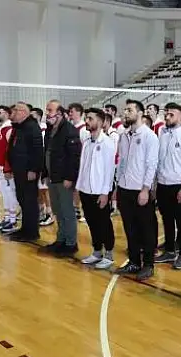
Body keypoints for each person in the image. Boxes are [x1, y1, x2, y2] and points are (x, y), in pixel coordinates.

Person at [113, 99, 159, 281]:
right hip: (124, 188)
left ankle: (148, 264)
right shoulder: (124, 136)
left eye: (129, 110)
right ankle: (133, 262)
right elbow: (121, 161)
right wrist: (117, 184)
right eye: (125, 110)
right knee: (129, 228)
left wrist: (146, 189)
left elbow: (151, 165)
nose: (125, 113)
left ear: (140, 113)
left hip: (140, 190)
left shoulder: (149, 136)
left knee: (146, 228)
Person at [154, 102, 181, 270]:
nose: (167, 117)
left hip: (178, 185)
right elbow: (159, 161)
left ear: (180, 116)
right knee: (167, 220)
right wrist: (156, 184)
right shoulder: (163, 134)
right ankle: (170, 251)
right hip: (163, 184)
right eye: (166, 114)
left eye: (171, 114)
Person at [77, 108, 117, 270]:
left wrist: (105, 193)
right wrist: (79, 186)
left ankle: (109, 253)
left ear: (100, 122)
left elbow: (109, 170)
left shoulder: (107, 143)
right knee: (91, 222)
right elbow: (83, 166)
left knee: (103, 222)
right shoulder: (87, 142)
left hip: (100, 191)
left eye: (90, 119)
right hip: (85, 189)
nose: (87, 121)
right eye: (86, 118)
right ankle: (97, 251)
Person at [42, 100, 82, 256]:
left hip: (64, 178)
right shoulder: (50, 129)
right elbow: (47, 153)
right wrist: (45, 173)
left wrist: (69, 177)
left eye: (50, 110)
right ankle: (61, 239)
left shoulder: (70, 130)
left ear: (59, 113)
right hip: (53, 177)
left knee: (67, 211)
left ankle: (71, 243)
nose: (47, 113)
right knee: (57, 210)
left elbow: (74, 157)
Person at [7, 101, 44, 242]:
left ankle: (32, 232)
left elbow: (37, 150)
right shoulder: (19, 127)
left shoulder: (32, 127)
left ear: (23, 112)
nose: (13, 113)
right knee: (22, 199)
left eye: (16, 110)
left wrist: (33, 169)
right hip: (19, 169)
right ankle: (25, 229)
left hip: (28, 171)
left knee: (29, 201)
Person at [0, 105, 18, 231]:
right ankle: (7, 217)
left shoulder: (9, 129)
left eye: (0, 112)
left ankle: (12, 220)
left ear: (7, 114)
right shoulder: (0, 128)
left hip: (6, 168)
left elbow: (11, 150)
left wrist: (9, 168)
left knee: (9, 193)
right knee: (4, 193)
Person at [32, 107, 54, 227]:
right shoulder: (32, 130)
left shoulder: (44, 130)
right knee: (39, 190)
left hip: (43, 165)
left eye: (33, 115)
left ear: (39, 117)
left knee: (45, 190)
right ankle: (41, 211)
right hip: (35, 164)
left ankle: (50, 214)